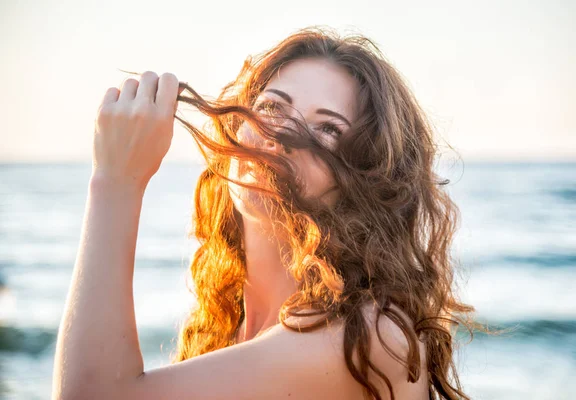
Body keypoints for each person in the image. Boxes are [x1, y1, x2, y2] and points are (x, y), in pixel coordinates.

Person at [52, 27, 477, 400]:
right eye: (273, 106)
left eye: (328, 129)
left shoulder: (369, 338)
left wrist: (115, 181)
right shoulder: (230, 329)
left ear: (369, 181)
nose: (281, 135)